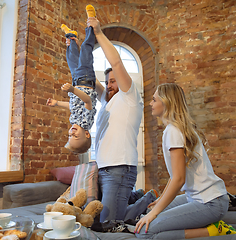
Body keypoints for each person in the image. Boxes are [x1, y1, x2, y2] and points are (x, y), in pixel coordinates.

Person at [134, 83, 236, 239]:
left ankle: (215, 230)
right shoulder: (174, 129)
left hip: (210, 203)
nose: (150, 104)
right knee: (150, 212)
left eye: (154, 100)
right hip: (203, 199)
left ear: (166, 102)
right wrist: (160, 201)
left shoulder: (173, 131)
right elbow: (175, 176)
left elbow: (179, 179)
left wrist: (155, 213)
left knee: (144, 232)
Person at [86, 15, 154, 222]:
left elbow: (115, 61)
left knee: (109, 222)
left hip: (120, 168)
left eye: (114, 81)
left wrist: (98, 32)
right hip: (104, 168)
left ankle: (149, 198)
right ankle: (137, 196)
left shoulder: (129, 96)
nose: (109, 85)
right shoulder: (107, 101)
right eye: (107, 82)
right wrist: (75, 48)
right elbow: (88, 75)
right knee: (101, 218)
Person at [46, 5, 98, 154]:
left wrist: (57, 104)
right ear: (86, 134)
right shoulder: (87, 122)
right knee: (87, 50)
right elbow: (87, 101)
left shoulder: (74, 121)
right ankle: (91, 23)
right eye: (75, 137)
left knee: (71, 59)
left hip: (77, 81)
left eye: (69, 136)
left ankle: (71, 37)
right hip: (86, 80)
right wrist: (72, 90)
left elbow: (73, 106)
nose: (72, 133)